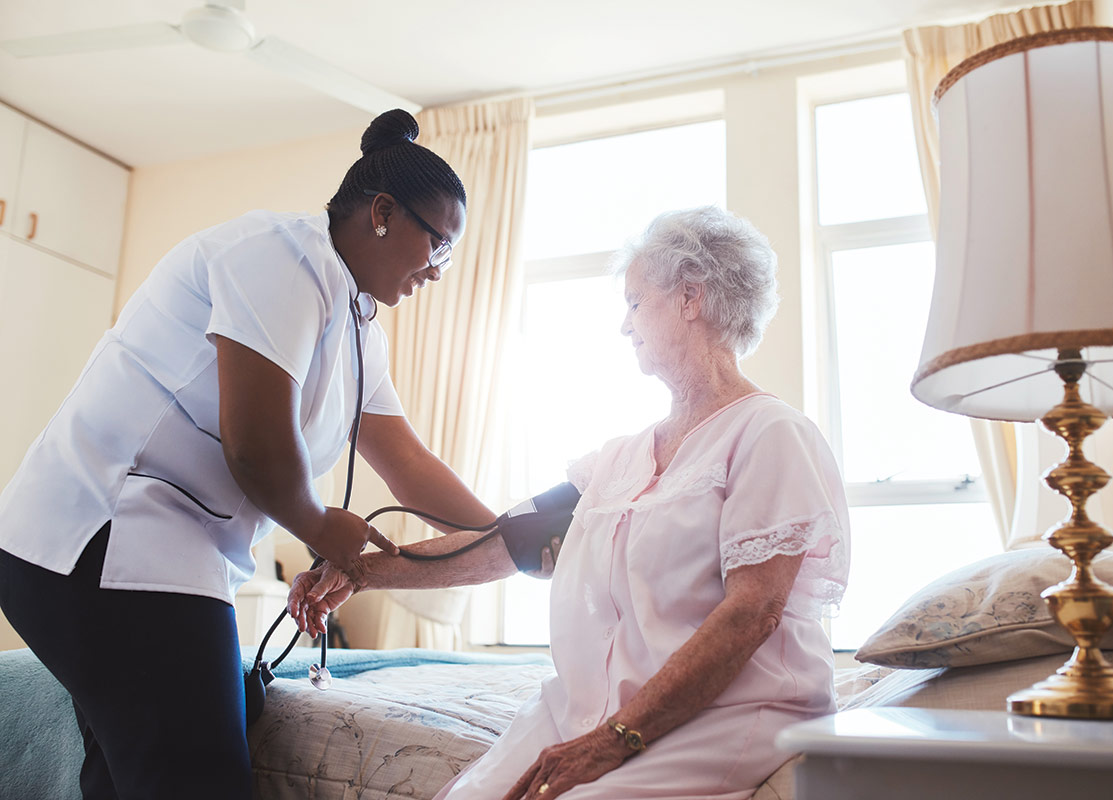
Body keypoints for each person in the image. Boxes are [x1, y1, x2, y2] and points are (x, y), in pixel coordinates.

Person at [0, 109, 504, 800]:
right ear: (383, 212)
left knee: (186, 741)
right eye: (439, 244)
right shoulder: (277, 256)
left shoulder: (360, 329)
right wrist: (326, 531)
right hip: (102, 539)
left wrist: (507, 534)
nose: (440, 270)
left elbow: (409, 465)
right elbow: (256, 449)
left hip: (168, 554)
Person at [290, 206, 852, 800]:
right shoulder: (618, 460)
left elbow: (753, 613)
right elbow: (505, 544)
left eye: (635, 302)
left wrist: (615, 738)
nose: (625, 326)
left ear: (690, 297)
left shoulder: (769, 432)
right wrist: (359, 572)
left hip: (728, 711)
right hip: (593, 708)